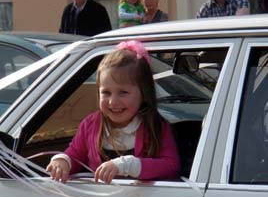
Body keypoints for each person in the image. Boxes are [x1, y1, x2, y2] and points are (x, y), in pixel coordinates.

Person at [46, 40, 180, 184]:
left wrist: (127, 165)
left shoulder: (155, 126)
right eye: (106, 93)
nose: (113, 102)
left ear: (144, 92)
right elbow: (75, 154)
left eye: (123, 92)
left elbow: (171, 165)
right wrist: (63, 162)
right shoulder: (91, 124)